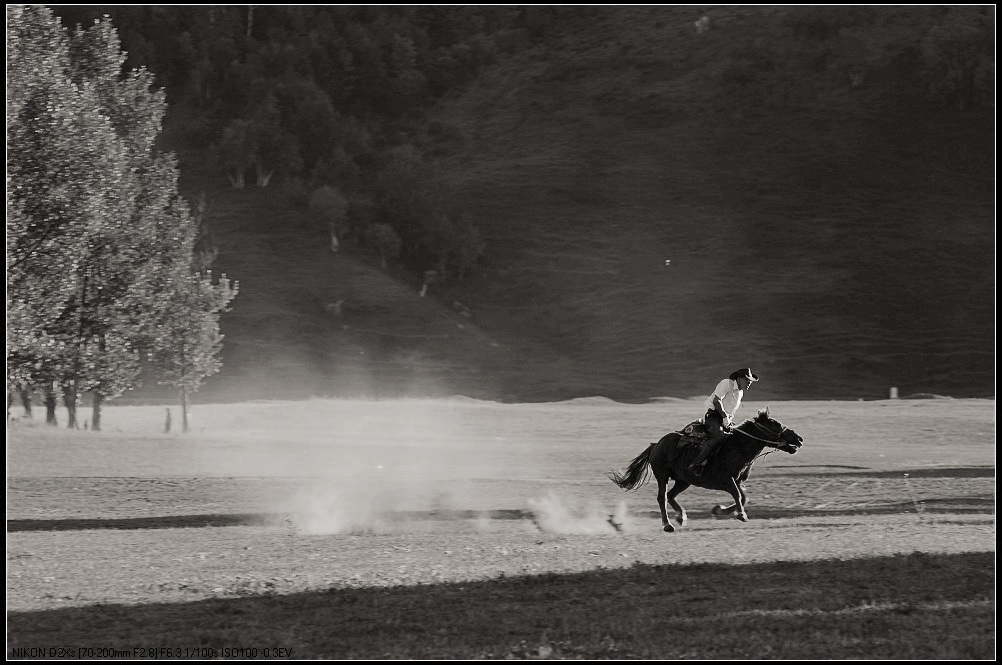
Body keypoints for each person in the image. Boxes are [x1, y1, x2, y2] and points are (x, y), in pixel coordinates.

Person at [688, 368, 759, 476]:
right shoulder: (726, 383)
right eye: (747, 380)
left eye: (750, 381)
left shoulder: (740, 393)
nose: (749, 383)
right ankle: (695, 465)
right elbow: (717, 401)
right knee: (718, 437)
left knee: (740, 437)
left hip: (726, 419)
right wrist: (724, 417)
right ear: (739, 379)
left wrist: (728, 420)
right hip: (714, 416)